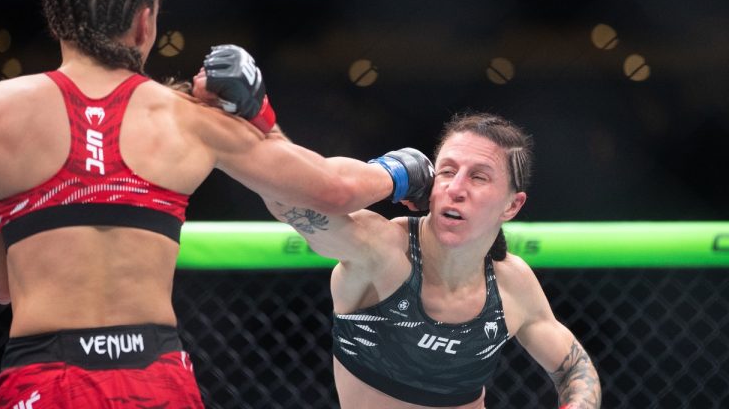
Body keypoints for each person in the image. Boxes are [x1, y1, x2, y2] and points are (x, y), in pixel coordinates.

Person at [0, 0, 433, 408]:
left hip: (43, 375)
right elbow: (333, 190)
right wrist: (402, 171)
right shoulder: (185, 117)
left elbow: (0, 285)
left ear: (57, 18)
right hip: (152, 375)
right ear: (145, 20)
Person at [254, 111, 603, 408]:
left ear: (512, 205)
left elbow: (574, 368)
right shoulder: (383, 251)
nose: (456, 188)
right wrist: (389, 175)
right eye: (447, 172)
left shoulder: (512, 283)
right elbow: (288, 197)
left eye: (478, 177)